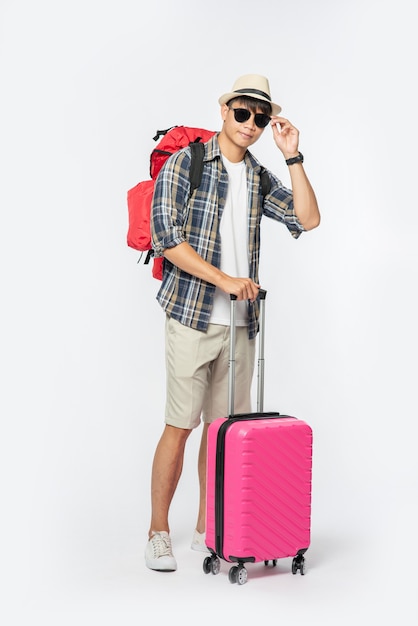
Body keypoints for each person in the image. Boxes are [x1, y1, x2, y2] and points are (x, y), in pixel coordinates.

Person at [145, 74, 320, 571]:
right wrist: (225, 279)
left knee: (222, 429)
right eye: (243, 113)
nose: (251, 124)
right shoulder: (187, 163)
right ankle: (158, 531)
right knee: (180, 426)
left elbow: (307, 219)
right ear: (224, 111)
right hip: (192, 317)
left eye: (261, 118)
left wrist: (293, 156)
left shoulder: (260, 175)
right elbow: (167, 238)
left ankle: (208, 530)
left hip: (241, 327)